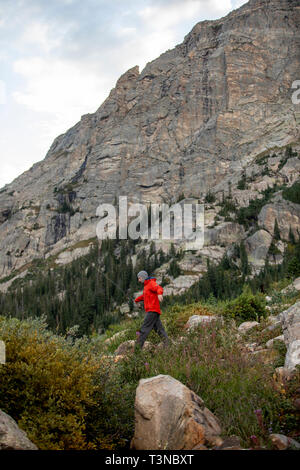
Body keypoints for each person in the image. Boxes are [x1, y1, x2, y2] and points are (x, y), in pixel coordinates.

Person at [134, 270, 169, 350]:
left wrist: (159, 294)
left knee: (144, 328)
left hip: (152, 310)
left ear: (143, 277)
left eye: (139, 278)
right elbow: (144, 296)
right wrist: (136, 300)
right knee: (159, 330)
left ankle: (137, 349)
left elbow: (158, 288)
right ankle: (168, 345)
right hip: (154, 311)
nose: (138, 280)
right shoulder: (146, 286)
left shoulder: (151, 283)